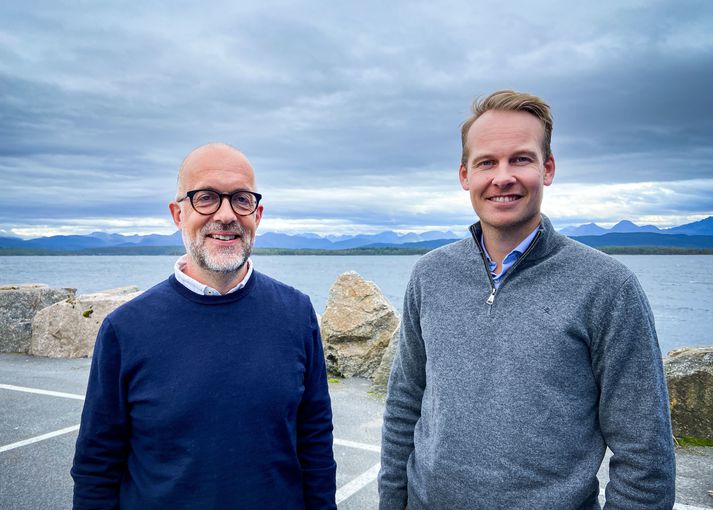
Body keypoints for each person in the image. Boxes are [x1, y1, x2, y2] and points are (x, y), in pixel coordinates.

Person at [378, 90, 676, 509]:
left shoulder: (608, 287)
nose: (502, 177)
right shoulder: (430, 274)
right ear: (465, 175)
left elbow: (646, 456)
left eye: (520, 159)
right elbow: (404, 405)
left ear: (547, 168)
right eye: (486, 162)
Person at [71, 143, 337, 509]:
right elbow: (96, 466)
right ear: (177, 214)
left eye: (241, 200)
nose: (226, 215)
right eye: (206, 198)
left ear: (257, 215)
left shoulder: (297, 314)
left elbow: (315, 444)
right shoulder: (125, 329)